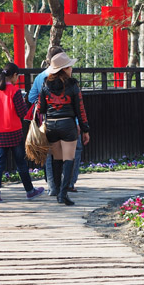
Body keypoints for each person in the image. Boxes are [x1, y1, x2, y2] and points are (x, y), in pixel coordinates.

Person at [29, 46, 83, 196]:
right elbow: (77, 106)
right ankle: (69, 184)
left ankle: (53, 187)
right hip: (69, 123)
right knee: (72, 153)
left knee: (51, 156)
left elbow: (32, 98)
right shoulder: (70, 82)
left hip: (49, 123)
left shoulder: (41, 78)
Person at [39, 52, 91, 205]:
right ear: (65, 68)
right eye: (70, 66)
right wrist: (85, 129)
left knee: (56, 159)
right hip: (67, 125)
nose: (71, 68)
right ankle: (63, 194)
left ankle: (56, 192)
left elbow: (41, 108)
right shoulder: (73, 85)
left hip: (51, 125)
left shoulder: (45, 84)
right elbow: (80, 110)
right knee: (69, 159)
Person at [0, 63, 45, 203]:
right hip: (13, 130)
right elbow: (22, 112)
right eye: (17, 76)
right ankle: (29, 191)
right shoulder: (14, 91)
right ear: (14, 76)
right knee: (20, 163)